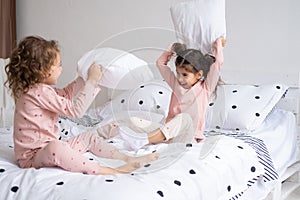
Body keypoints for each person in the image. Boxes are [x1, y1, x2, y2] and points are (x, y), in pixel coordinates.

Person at [4, 35, 159, 175]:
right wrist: (91, 81)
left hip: (44, 149)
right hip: (32, 158)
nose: (61, 68)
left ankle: (126, 159)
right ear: (42, 70)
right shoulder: (37, 92)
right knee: (56, 148)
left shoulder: (39, 90)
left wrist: (82, 78)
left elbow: (64, 95)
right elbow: (75, 111)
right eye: (58, 65)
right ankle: (109, 170)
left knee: (89, 138)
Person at [96, 37, 226, 150]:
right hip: (166, 134)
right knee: (134, 121)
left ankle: (145, 140)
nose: (180, 78)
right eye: (178, 73)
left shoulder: (205, 89)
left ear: (199, 75)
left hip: (188, 138)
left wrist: (218, 45)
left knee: (184, 118)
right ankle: (96, 135)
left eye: (185, 75)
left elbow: (217, 64)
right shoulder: (176, 85)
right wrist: (170, 50)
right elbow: (160, 64)